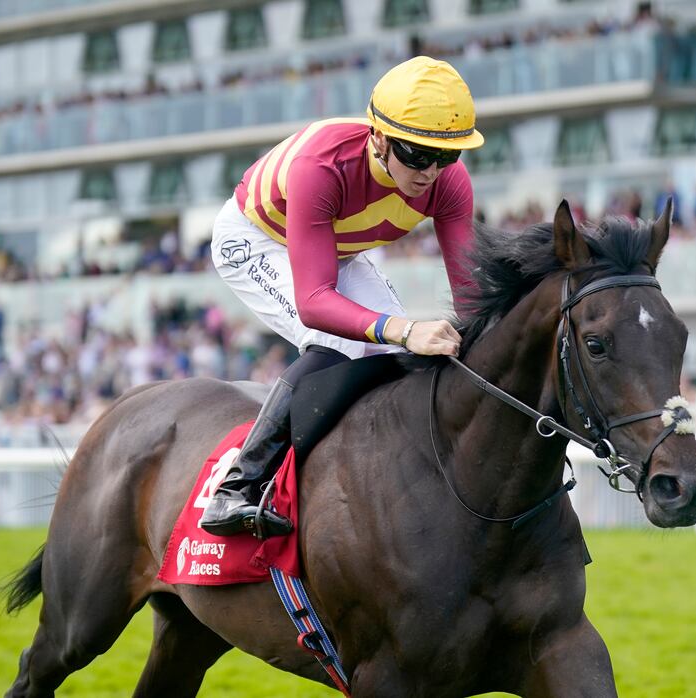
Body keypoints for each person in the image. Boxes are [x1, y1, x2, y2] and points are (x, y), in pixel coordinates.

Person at [199, 56, 485, 538]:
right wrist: (407, 329)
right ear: (379, 138)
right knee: (341, 340)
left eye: (447, 156)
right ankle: (238, 487)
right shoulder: (322, 166)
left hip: (335, 247)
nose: (431, 172)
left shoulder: (448, 183)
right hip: (255, 238)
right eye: (417, 155)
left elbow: (471, 296)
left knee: (393, 352)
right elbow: (314, 302)